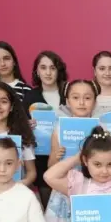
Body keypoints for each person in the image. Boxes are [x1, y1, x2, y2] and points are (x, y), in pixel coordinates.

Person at [44, 80, 99, 222]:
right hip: (66, 187)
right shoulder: (59, 128)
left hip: (91, 188)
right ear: (67, 101)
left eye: (87, 97)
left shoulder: (100, 128)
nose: (82, 102)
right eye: (76, 97)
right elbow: (50, 166)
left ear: (94, 101)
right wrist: (56, 156)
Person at [23, 50, 69, 213]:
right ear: (37, 71)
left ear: (59, 70)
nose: (48, 72)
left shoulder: (68, 92)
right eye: (43, 68)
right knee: (49, 209)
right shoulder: (30, 96)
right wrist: (26, 125)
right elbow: (21, 127)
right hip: (42, 159)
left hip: (68, 154)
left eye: (52, 68)